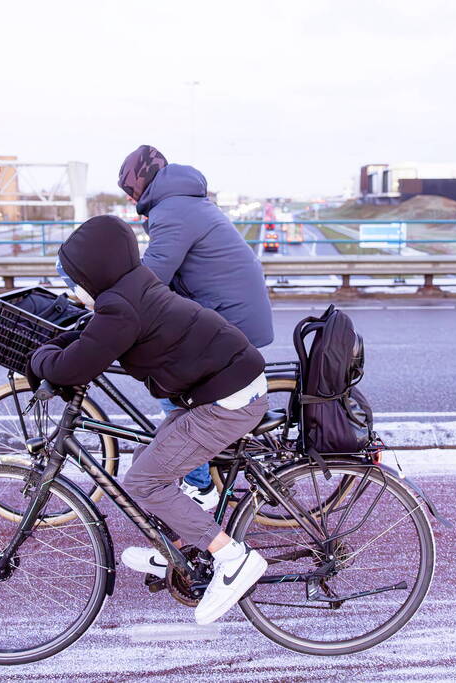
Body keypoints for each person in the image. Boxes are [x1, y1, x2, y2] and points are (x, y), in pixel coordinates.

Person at [28, 215, 270, 625]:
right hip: (224, 383)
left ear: (91, 275)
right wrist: (59, 347)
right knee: (149, 455)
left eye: (73, 281)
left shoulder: (119, 307)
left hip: (227, 399)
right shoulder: (131, 286)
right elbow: (92, 338)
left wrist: (38, 359)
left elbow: (74, 366)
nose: (71, 290)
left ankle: (233, 558)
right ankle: (173, 547)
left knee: (144, 480)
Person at [118, 145, 274, 510]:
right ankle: (205, 463)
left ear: (139, 184)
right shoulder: (183, 201)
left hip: (229, 318)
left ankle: (199, 485)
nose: (130, 199)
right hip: (231, 311)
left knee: (172, 383)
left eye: (129, 191)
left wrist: (113, 299)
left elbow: (153, 274)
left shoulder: (172, 211)